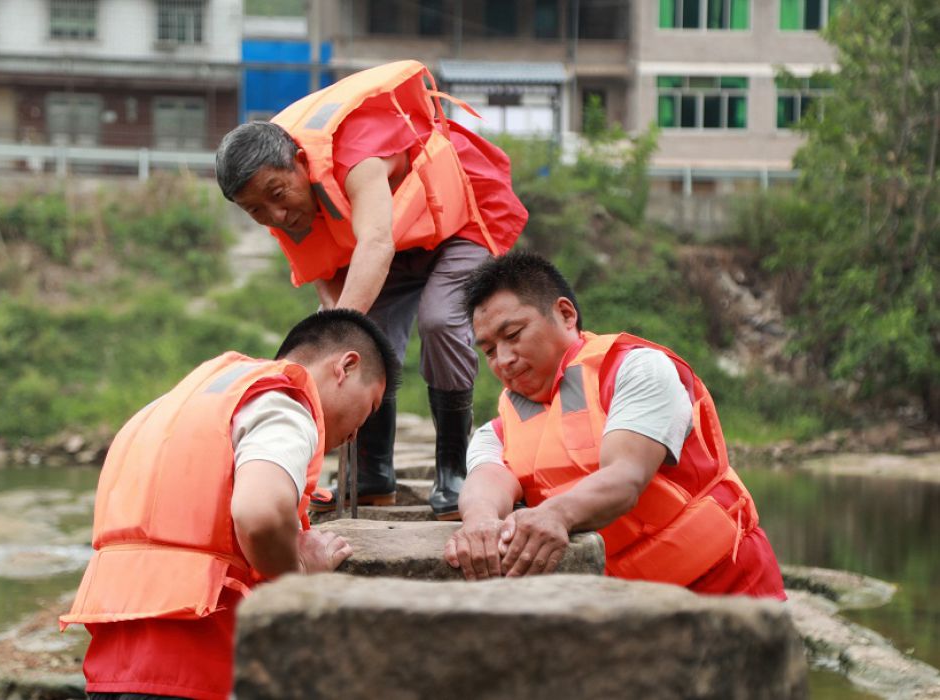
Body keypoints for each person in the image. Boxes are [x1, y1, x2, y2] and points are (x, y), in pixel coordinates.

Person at [214, 60, 528, 520]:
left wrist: (339, 335)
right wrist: (338, 349)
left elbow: (376, 243)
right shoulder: (280, 206)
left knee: (441, 319)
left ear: (302, 164)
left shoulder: (356, 159)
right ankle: (374, 471)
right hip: (397, 243)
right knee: (369, 332)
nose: (275, 217)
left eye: (279, 195)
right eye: (256, 211)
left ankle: (455, 469)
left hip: (458, 223)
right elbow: (329, 281)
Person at [60, 309, 401, 700]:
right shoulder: (284, 405)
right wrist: (299, 570)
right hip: (195, 669)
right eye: (370, 408)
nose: (359, 430)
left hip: (110, 672)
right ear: (346, 367)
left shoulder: (166, 409)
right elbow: (259, 515)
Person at [444, 252, 785, 599]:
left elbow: (626, 476)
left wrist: (556, 514)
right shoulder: (497, 432)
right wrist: (480, 523)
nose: (503, 359)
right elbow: (485, 481)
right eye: (488, 350)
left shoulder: (638, 371)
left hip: (727, 589)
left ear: (565, 314)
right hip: (624, 609)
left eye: (513, 334)